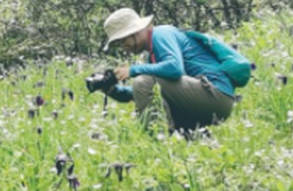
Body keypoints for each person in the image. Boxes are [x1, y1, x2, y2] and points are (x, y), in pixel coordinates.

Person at [99, 8, 235, 135]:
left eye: (123, 41)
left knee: (142, 82)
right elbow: (143, 92)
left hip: (216, 94)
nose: (123, 47)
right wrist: (112, 90)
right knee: (144, 85)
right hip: (207, 98)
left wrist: (133, 70)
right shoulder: (151, 53)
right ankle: (189, 137)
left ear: (134, 32)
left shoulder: (160, 34)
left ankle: (158, 140)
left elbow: (175, 68)